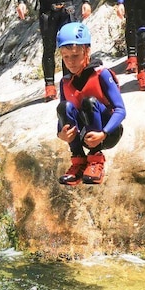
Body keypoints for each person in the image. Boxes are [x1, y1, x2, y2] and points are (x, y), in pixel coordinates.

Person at [55, 22, 125, 185]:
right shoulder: (65, 82)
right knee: (64, 107)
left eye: (75, 55)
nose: (71, 62)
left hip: (108, 133)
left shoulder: (102, 74)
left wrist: (104, 133)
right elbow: (63, 115)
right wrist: (60, 133)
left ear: (87, 51)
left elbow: (121, 110)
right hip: (84, 134)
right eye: (66, 57)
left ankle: (96, 160)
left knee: (89, 102)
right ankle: (78, 162)